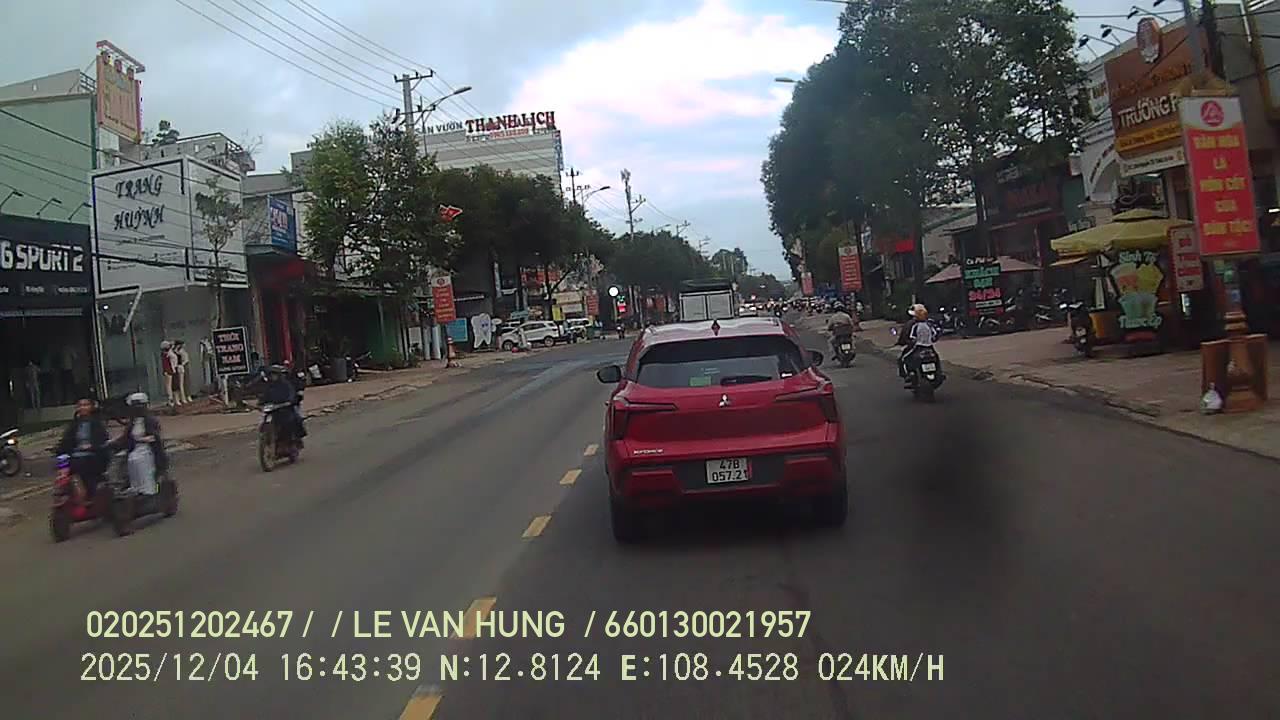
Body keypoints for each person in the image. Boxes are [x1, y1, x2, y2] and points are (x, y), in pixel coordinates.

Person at [111, 393, 167, 495]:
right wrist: (114, 442)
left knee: (141, 461)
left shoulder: (150, 421)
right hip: (134, 450)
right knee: (128, 460)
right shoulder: (132, 422)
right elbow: (126, 437)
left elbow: (155, 438)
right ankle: (134, 487)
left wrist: (143, 439)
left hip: (147, 451)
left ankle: (148, 489)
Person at [56, 396, 110, 499]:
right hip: (75, 455)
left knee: (82, 465)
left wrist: (91, 446)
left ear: (91, 407)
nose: (83, 408)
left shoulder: (97, 424)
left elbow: (102, 442)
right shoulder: (74, 425)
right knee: (62, 462)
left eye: (86, 405)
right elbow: (66, 442)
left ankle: (89, 494)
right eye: (80, 405)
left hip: (93, 456)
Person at [261, 364, 305, 442]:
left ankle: (294, 438)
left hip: (286, 409)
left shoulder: (287, 385)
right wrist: (260, 403)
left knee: (294, 419)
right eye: (271, 374)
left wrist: (289, 402)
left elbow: (291, 395)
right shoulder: (269, 386)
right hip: (273, 410)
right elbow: (264, 396)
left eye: (274, 374)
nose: (272, 376)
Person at [898, 304, 937, 380]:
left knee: (903, 358)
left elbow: (912, 337)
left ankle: (907, 375)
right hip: (929, 346)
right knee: (936, 357)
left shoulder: (915, 325)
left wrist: (910, 341)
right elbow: (934, 335)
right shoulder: (929, 324)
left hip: (918, 346)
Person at [160, 341, 178, 406]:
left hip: (168, 371)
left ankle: (170, 399)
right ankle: (170, 399)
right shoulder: (168, 354)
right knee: (168, 386)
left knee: (168, 386)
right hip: (169, 371)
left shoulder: (166, 354)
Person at [174, 340, 192, 404]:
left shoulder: (182, 351)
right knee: (181, 383)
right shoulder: (178, 352)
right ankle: (183, 398)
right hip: (181, 366)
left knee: (186, 382)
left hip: (183, 365)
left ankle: (186, 396)